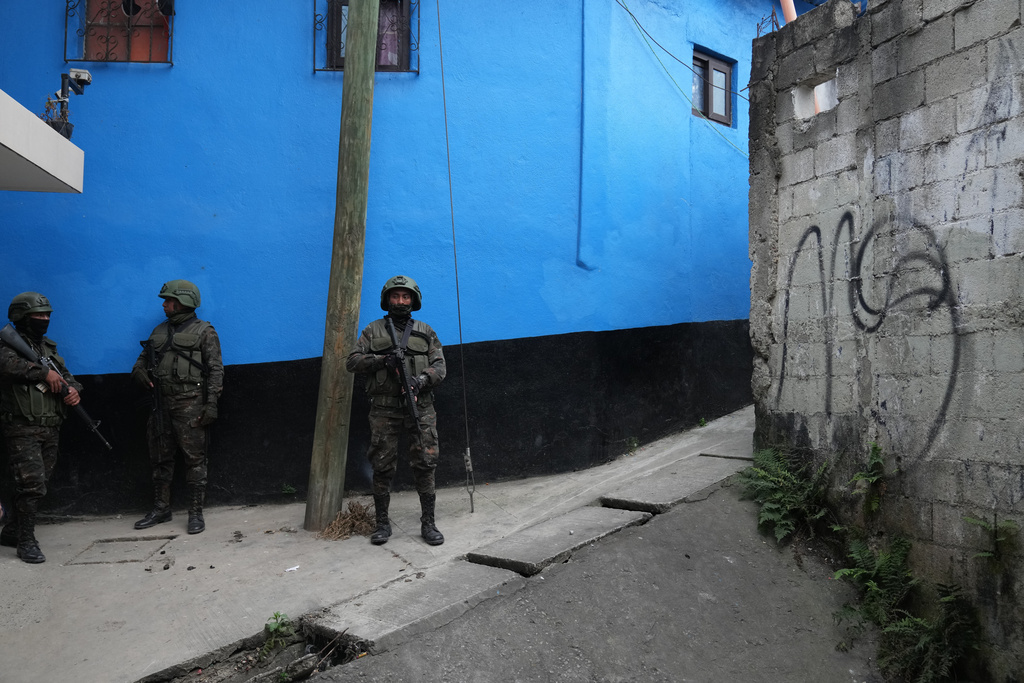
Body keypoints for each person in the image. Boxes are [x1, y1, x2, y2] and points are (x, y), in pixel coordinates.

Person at [346, 275, 447, 546]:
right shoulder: (373, 330)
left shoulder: (425, 331)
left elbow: (440, 367)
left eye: (405, 297)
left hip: (421, 408)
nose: (400, 301)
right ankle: (382, 523)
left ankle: (428, 523)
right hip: (384, 410)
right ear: (386, 299)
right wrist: (382, 361)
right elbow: (352, 361)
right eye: (395, 296)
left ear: (414, 300)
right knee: (382, 465)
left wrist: (421, 380)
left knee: (426, 464)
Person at [131, 280, 223, 534]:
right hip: (160, 405)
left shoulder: (205, 331)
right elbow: (140, 363)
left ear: (184, 302)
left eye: (169, 300)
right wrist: (139, 373)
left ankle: (195, 512)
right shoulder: (158, 331)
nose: (164, 305)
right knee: (160, 459)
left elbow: (215, 370)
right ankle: (161, 508)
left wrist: (211, 404)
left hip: (191, 404)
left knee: (195, 459)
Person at [0, 292, 83, 563]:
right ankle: (26, 541)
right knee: (32, 485)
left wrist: (74, 391)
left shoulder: (47, 348)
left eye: (47, 315)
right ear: (22, 317)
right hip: (22, 427)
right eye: (38, 315)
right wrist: (42, 373)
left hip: (50, 426)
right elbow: (8, 366)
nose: (44, 319)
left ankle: (12, 530)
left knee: (40, 484)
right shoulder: (7, 345)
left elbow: (66, 376)